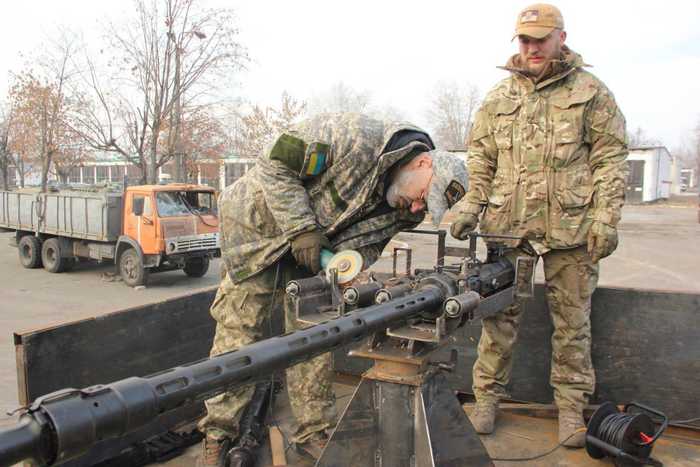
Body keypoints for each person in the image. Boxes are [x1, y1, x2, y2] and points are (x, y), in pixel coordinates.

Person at [199, 112, 469, 465]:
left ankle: (313, 432)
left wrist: (350, 267)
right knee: (238, 334)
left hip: (313, 256)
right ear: (421, 162)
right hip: (258, 235)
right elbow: (275, 164)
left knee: (313, 338)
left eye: (425, 207)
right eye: (422, 197)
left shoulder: (408, 210)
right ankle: (218, 435)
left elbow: (372, 245)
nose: (417, 209)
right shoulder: (353, 134)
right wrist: (301, 229)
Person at [450, 3, 628, 448]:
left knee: (572, 324)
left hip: (573, 231)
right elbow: (481, 160)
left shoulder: (591, 92)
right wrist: (470, 205)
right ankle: (487, 400)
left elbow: (610, 159)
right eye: (524, 40)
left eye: (540, 39)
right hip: (510, 230)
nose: (531, 48)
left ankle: (570, 411)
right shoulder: (499, 97)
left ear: (561, 38)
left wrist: (606, 217)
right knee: (498, 321)